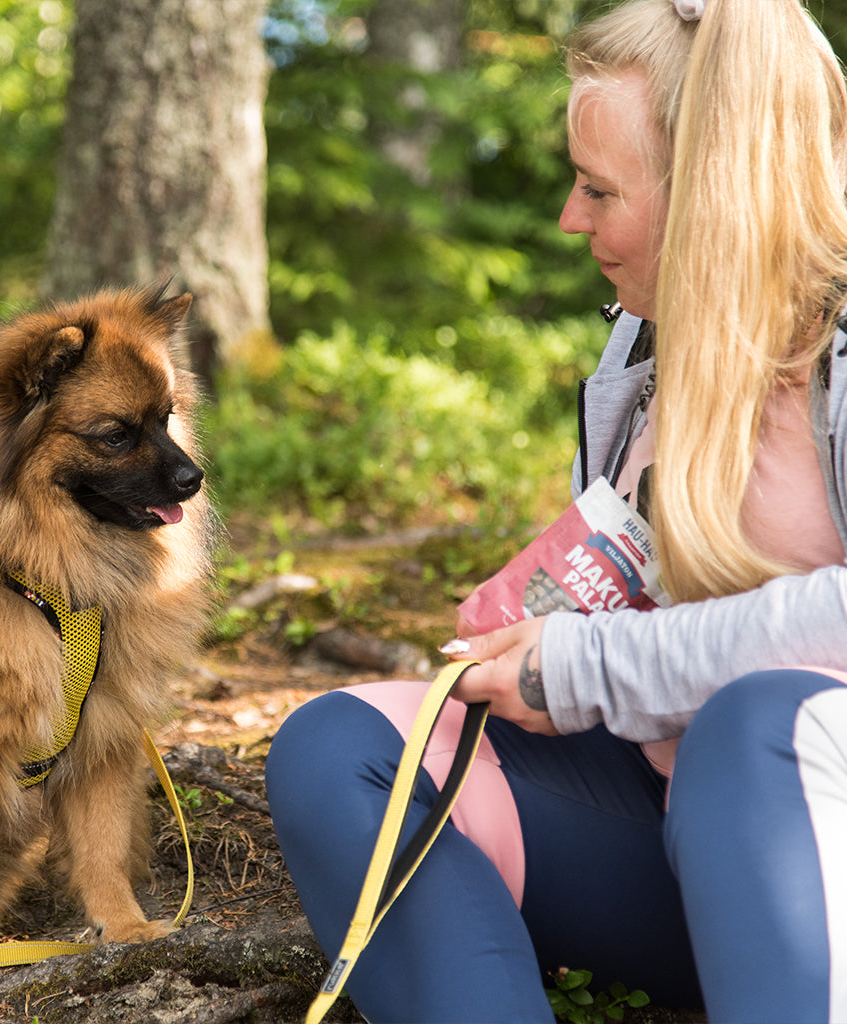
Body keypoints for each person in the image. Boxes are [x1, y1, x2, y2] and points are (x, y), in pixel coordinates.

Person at [266, 0, 847, 1020]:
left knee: (754, 728)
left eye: (598, 189)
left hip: (805, 845)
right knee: (345, 746)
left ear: (711, 191)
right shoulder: (644, 352)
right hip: (682, 840)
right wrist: (547, 634)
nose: (571, 220)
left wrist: (587, 669)